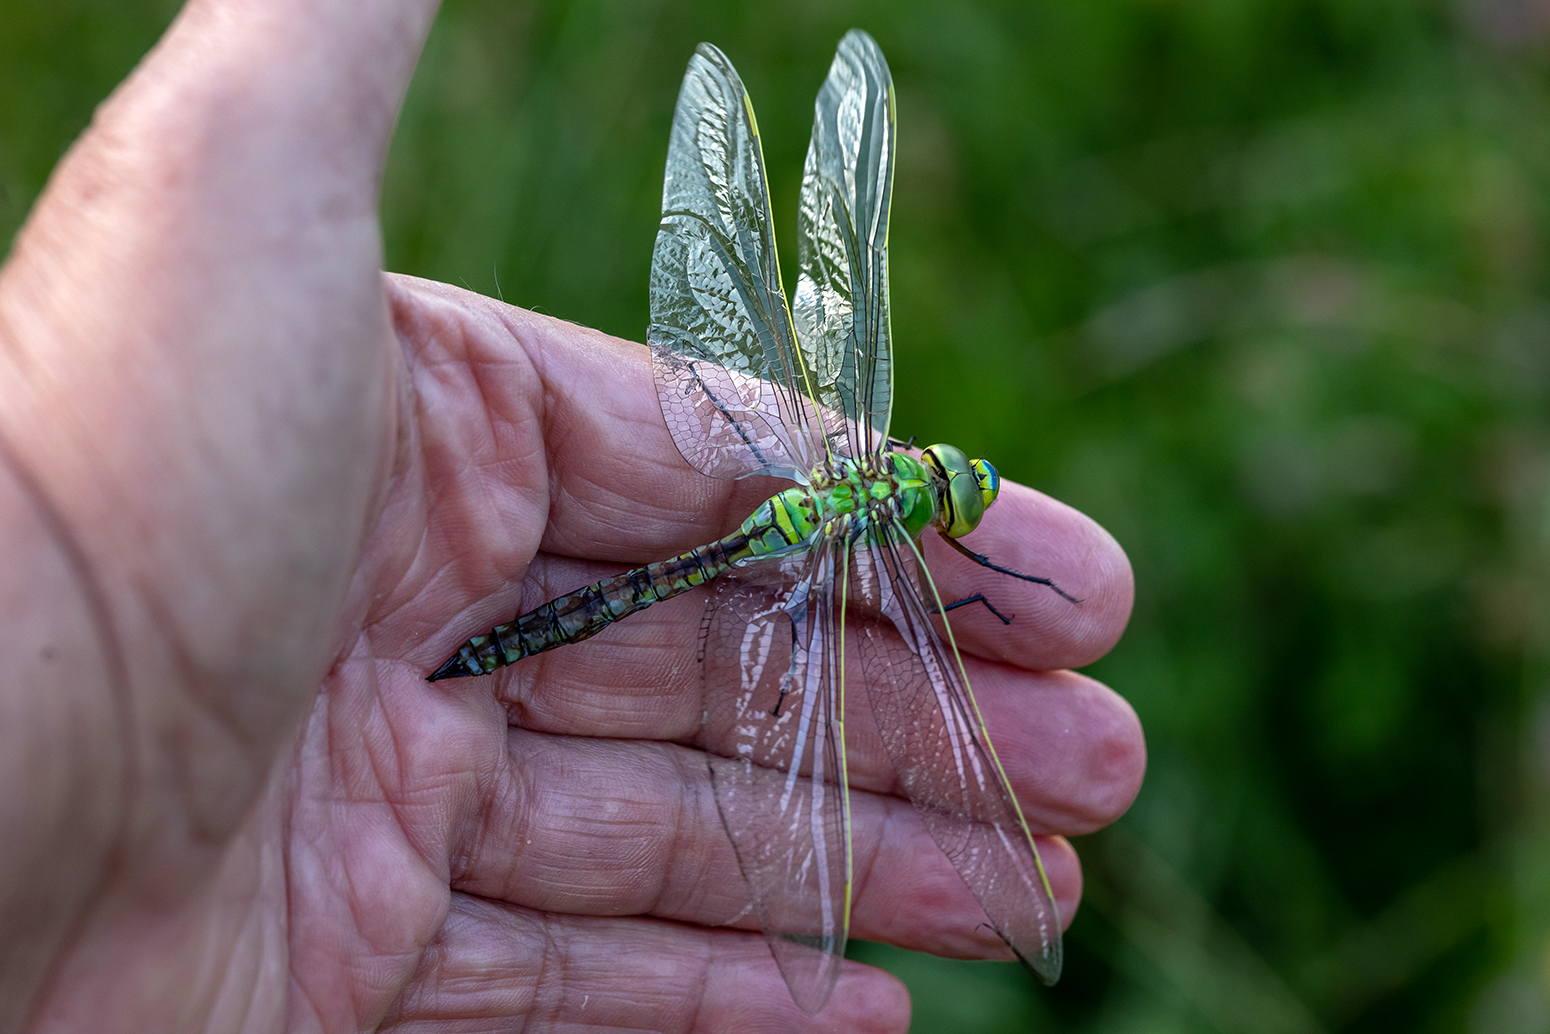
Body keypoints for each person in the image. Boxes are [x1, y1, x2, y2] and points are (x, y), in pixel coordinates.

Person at [0, 1, 1143, 1030]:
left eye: (947, 480)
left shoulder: (841, 451)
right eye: (948, 481)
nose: (946, 482)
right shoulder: (897, 543)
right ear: (921, 496)